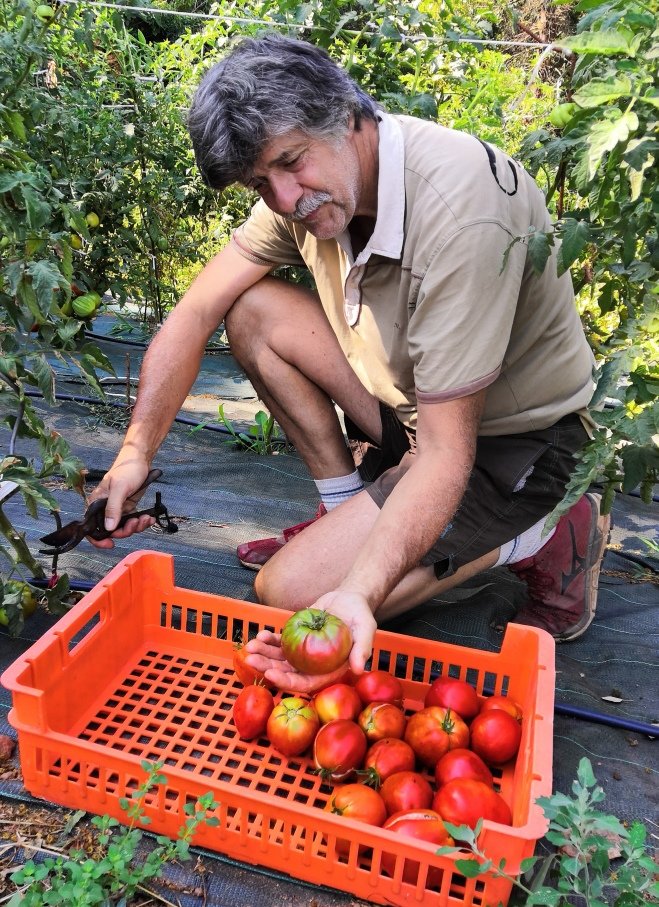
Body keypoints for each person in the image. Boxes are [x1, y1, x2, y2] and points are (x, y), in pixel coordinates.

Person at [90, 33, 610, 693]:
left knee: (290, 598)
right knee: (250, 310)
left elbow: (447, 454)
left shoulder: (459, 214)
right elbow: (194, 312)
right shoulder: (311, 187)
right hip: (413, 407)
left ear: (343, 115)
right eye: (260, 182)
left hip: (507, 444)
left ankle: (545, 526)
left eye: (290, 162)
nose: (283, 199)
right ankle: (346, 510)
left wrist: (357, 591)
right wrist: (136, 450)